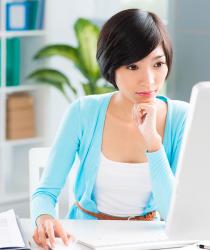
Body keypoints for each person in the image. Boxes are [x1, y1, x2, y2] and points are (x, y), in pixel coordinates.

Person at [31, 8, 189, 249]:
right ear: (111, 67)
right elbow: (46, 192)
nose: (149, 80)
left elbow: (173, 214)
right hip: (84, 240)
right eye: (133, 67)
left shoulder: (181, 117)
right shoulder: (83, 112)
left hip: (148, 242)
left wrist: (153, 143)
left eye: (158, 64)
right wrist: (44, 219)